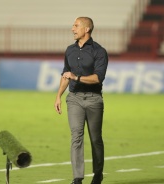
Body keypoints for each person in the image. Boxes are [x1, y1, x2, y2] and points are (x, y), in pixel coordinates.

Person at [54, 17, 108, 184]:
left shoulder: (99, 51)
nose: (72, 29)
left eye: (76, 25)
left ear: (87, 29)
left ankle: (98, 174)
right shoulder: (69, 50)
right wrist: (58, 96)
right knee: (76, 136)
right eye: (73, 25)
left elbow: (98, 78)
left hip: (94, 100)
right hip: (74, 99)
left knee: (95, 139)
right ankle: (77, 178)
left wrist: (76, 77)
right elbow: (65, 74)